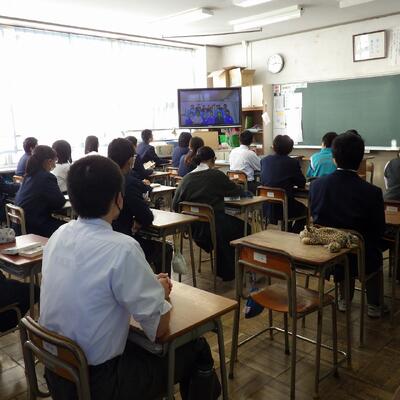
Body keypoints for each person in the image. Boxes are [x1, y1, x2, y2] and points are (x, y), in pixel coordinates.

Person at [40, 155, 220, 400]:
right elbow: (159, 329)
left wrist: (146, 286)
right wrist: (160, 291)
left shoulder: (58, 235)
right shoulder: (122, 248)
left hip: (57, 372)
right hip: (101, 384)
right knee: (195, 347)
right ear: (118, 199)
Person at [309, 132, 386, 318]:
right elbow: (378, 230)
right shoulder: (372, 192)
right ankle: (374, 305)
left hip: (328, 253)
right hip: (361, 255)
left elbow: (315, 218)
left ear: (334, 158)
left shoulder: (316, 186)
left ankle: (344, 300)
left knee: (345, 246)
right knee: (371, 249)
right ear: (360, 160)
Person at [173, 146, 246, 281]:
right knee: (244, 227)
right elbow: (238, 193)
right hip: (215, 227)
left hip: (194, 229)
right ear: (212, 160)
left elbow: (175, 205)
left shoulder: (186, 179)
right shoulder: (216, 175)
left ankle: (227, 267)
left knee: (224, 224)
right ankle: (236, 267)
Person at [108, 138, 172, 275]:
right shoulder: (128, 183)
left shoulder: (103, 178)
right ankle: (159, 284)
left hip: (106, 238)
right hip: (123, 239)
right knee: (165, 249)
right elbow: (146, 217)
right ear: (130, 160)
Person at [15, 145, 66, 237]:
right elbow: (60, 203)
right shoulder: (47, 177)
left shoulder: (28, 176)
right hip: (37, 227)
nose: (55, 166)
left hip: (21, 226)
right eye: (54, 162)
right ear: (49, 161)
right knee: (70, 229)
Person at [260, 135, 307, 233]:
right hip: (284, 207)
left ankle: (287, 231)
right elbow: (301, 183)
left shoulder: (264, 161)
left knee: (289, 202)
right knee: (305, 211)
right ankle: (292, 234)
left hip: (266, 205)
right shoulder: (292, 163)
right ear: (290, 149)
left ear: (274, 146)